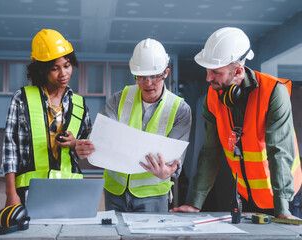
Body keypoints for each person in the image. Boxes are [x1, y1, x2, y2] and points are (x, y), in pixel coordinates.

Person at [170, 27, 302, 219]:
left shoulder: (273, 92)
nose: (208, 78)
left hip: (285, 197)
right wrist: (195, 203)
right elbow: (210, 151)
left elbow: (279, 151)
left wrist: (282, 209)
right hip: (247, 197)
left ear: (238, 70)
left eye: (215, 72)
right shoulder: (213, 98)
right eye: (207, 71)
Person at [76, 38, 192, 212]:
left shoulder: (180, 109)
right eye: (142, 76)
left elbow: (176, 158)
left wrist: (169, 171)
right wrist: (86, 145)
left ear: (166, 73)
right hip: (115, 191)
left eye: (154, 76)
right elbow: (100, 135)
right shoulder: (119, 98)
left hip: (153, 195)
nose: (148, 83)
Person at [1, 29, 91, 206]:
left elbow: (87, 149)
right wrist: (10, 193)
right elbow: (9, 148)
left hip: (71, 190)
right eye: (54, 68)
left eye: (66, 65)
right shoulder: (22, 98)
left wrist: (76, 144)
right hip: (30, 190)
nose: (63, 73)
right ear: (42, 70)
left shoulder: (80, 104)